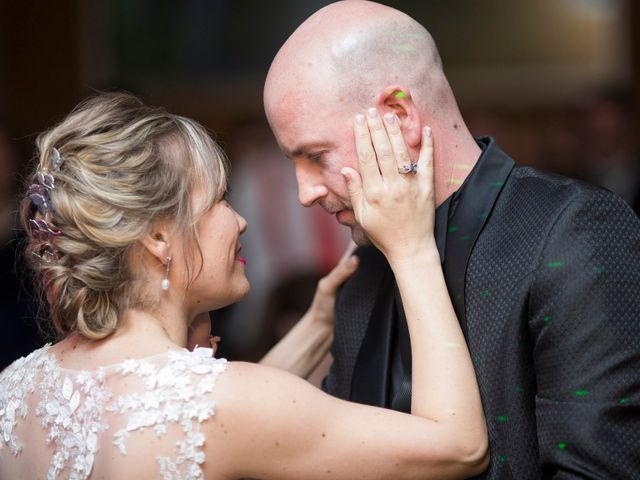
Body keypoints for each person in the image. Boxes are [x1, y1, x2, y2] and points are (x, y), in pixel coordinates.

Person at [0, 92, 489, 479]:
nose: (239, 220)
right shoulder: (222, 405)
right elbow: (458, 446)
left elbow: (217, 418)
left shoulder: (15, 390)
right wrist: (412, 249)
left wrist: (319, 321)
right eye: (218, 200)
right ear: (156, 235)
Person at [263, 1, 640, 478]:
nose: (304, 192)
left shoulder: (572, 229)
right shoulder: (362, 266)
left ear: (399, 115)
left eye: (315, 156)